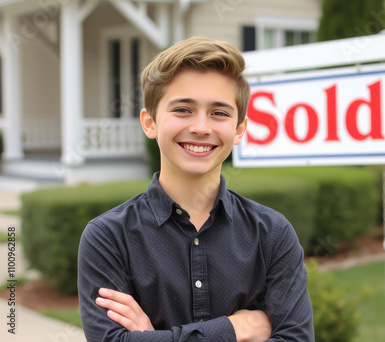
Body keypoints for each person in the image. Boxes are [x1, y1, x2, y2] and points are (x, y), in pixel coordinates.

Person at [78, 36, 314, 342]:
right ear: (150, 123)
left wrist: (153, 338)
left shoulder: (272, 234)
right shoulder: (108, 238)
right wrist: (237, 328)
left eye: (219, 113)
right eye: (183, 110)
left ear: (239, 129)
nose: (202, 127)